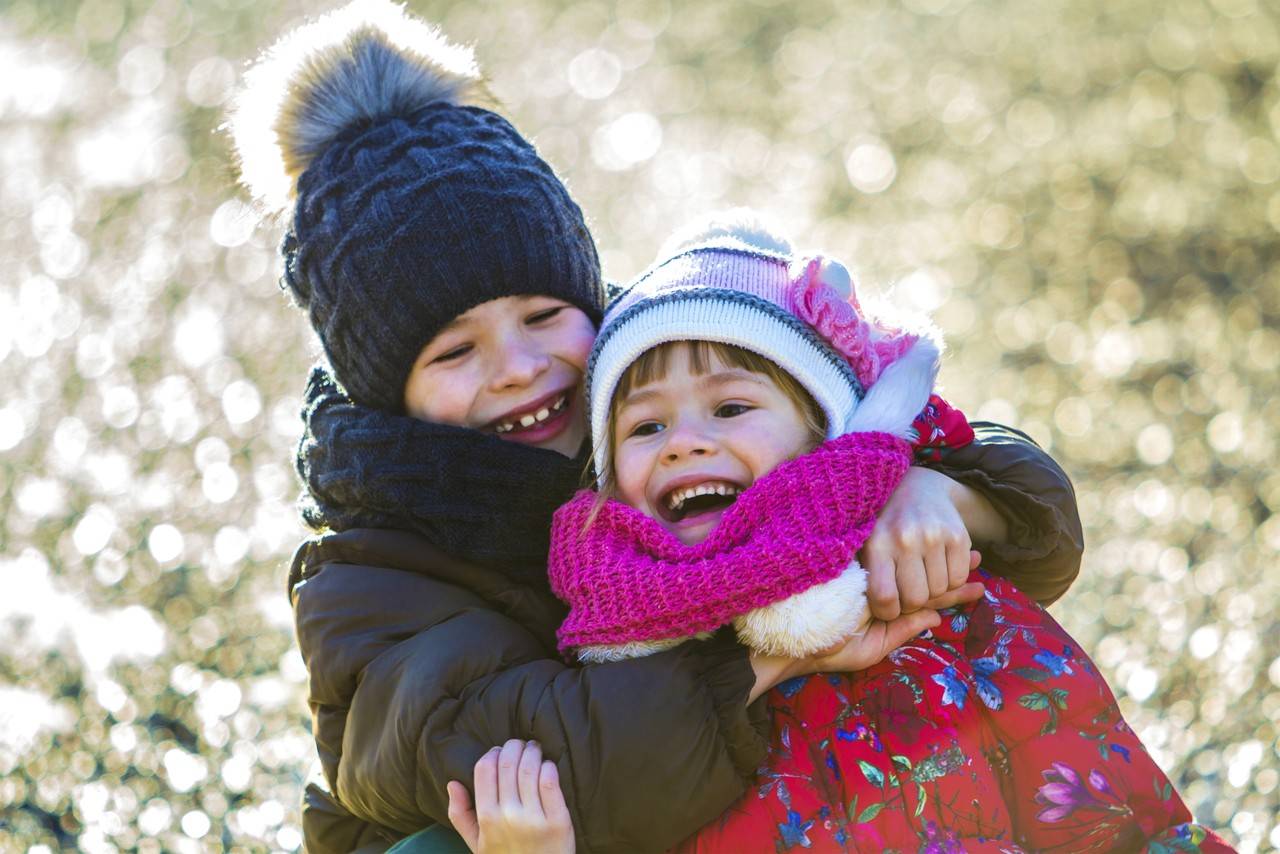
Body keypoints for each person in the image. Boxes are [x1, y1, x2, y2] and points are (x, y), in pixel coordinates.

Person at [229, 2, 1087, 851]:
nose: (519, 367)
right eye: (455, 352)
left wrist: (932, 491)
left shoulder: (657, 399)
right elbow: (563, 766)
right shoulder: (367, 577)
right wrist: (784, 642)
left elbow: (1037, 522)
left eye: (541, 314)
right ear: (389, 390)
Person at [452, 214, 1230, 852]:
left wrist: (930, 491)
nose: (685, 441)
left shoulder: (932, 599)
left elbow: (1091, 794)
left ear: (825, 433)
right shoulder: (626, 657)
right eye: (647, 426)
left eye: (730, 408)